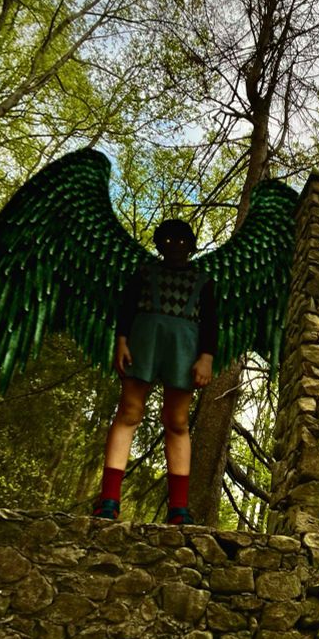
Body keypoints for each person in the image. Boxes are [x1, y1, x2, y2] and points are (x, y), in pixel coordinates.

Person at [93, 219, 217, 524]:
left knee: (177, 421)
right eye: (168, 240)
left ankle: (179, 507)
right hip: (143, 342)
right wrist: (121, 341)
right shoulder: (144, 273)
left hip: (184, 350)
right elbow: (127, 308)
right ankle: (108, 500)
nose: (175, 245)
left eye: (181, 240)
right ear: (159, 244)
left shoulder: (204, 280)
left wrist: (206, 358)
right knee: (129, 413)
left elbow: (212, 322)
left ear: (191, 244)